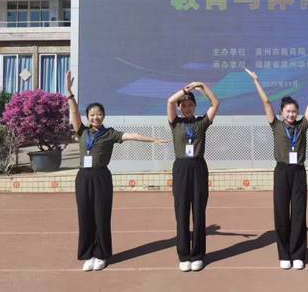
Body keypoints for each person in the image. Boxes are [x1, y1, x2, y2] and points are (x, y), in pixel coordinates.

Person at [66, 72, 169, 272]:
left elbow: (132, 135)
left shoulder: (110, 133)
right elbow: (74, 112)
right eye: (92, 114)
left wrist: (153, 139)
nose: (95, 117)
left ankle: (101, 254)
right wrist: (69, 93)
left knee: (101, 216)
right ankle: (88, 253)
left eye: (99, 114)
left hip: (101, 177)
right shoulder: (83, 132)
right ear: (88, 117)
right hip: (83, 177)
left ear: (103, 116)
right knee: (85, 216)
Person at [245, 68, 308, 270]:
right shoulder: (276, 125)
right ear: (282, 113)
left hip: (299, 172)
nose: (292, 114)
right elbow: (266, 102)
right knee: (282, 214)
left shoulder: (302, 126)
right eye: (288, 111)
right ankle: (284, 254)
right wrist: (256, 80)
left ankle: (298, 254)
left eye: (294, 111)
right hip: (282, 172)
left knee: (299, 213)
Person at [167, 82, 220, 272]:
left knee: (198, 212)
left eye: (190, 105)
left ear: (195, 106)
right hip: (181, 169)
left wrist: (202, 86)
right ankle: (184, 255)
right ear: (179, 107)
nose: (187, 108)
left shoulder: (201, 123)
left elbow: (215, 103)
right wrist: (184, 91)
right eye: (184, 105)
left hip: (198, 168)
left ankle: (197, 255)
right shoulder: (175, 122)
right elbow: (169, 101)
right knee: (181, 213)